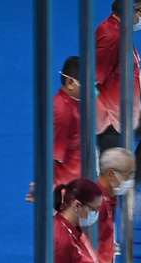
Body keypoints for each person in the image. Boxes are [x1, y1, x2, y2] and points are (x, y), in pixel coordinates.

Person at [95, 0, 141, 182]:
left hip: (127, 111)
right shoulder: (112, 37)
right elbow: (94, 80)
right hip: (112, 120)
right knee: (110, 182)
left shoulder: (120, 31)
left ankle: (129, 184)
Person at [54, 56, 84, 187]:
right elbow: (55, 158)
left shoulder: (74, 102)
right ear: (70, 83)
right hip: (71, 186)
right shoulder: (63, 113)